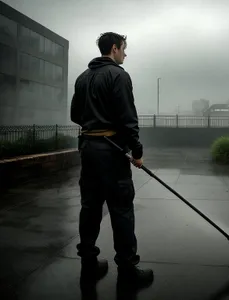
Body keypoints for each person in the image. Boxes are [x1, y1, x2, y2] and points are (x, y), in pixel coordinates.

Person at [70, 32, 154, 286]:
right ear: (115, 49)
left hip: (89, 150)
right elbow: (128, 118)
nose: (125, 54)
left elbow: (75, 115)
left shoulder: (83, 78)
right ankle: (127, 271)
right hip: (112, 152)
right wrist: (136, 152)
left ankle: (89, 265)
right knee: (121, 209)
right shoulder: (118, 75)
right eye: (124, 49)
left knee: (90, 208)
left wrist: (94, 122)